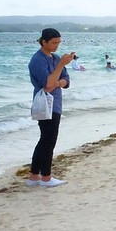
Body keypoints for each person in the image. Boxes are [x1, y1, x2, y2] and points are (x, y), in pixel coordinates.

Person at [27, 28, 75, 188]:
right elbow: (47, 83)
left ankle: (34, 176)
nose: (56, 46)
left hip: (55, 103)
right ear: (44, 42)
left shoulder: (54, 58)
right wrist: (61, 65)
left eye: (58, 42)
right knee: (48, 140)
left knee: (45, 139)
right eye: (53, 42)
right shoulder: (37, 60)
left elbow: (66, 80)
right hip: (44, 104)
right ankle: (46, 178)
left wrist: (60, 82)